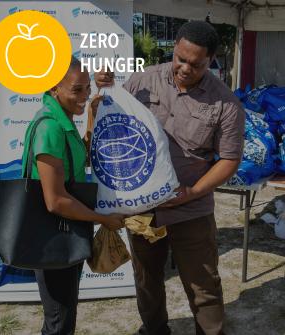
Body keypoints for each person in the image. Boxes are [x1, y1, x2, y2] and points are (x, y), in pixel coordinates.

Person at [95, 21, 245, 335]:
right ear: (175, 47)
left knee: (203, 284)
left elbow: (229, 160)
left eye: (196, 63)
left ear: (211, 61)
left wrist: (191, 192)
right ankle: (154, 330)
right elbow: (113, 123)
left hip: (191, 209)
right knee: (147, 279)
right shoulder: (143, 81)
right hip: (142, 209)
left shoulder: (226, 103)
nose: (185, 68)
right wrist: (103, 93)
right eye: (180, 58)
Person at [22, 57, 125, 335]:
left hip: (65, 232)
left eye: (87, 88)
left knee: (62, 316)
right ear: (55, 87)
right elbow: (55, 201)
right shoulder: (51, 128)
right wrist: (102, 218)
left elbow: (85, 157)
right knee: (59, 322)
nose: (84, 96)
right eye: (77, 90)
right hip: (54, 237)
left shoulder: (62, 119)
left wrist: (92, 112)